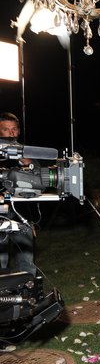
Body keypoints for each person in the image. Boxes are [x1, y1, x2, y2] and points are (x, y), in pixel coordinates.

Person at [0, 112, 37, 276]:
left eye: (14, 129)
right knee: (1, 261)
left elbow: (38, 177)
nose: (11, 133)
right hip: (0, 211)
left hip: (21, 212)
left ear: (19, 131)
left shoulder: (26, 151)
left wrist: (24, 158)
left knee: (26, 261)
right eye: (6, 130)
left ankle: (28, 294)